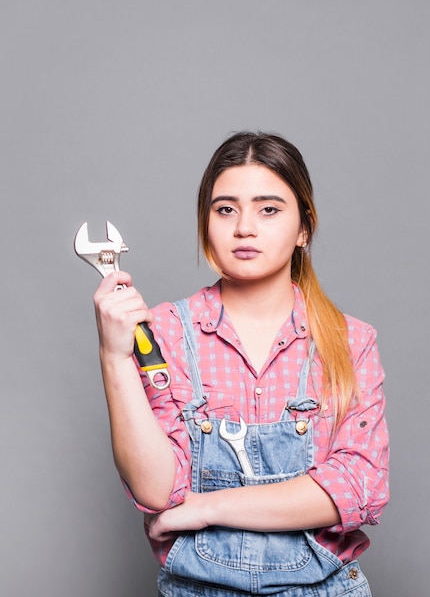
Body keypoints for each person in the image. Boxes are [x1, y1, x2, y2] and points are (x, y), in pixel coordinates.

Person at [93, 132, 389, 596]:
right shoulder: (165, 332)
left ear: (304, 228)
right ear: (205, 222)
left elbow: (357, 487)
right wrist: (114, 357)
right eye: (225, 209)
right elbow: (157, 491)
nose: (244, 228)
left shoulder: (350, 341)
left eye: (268, 209)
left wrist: (206, 508)